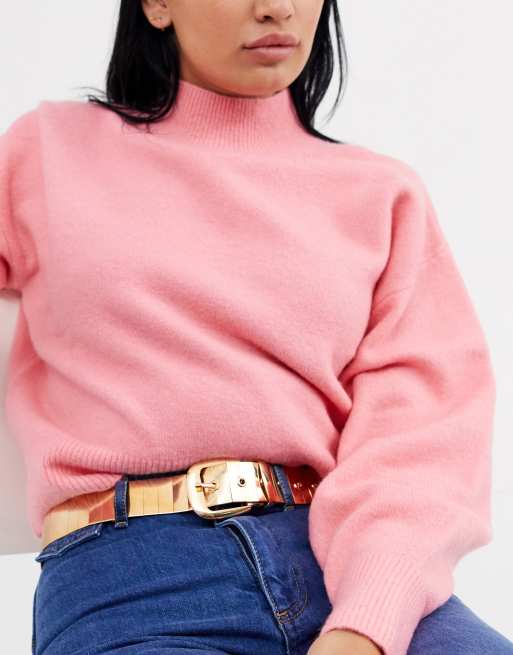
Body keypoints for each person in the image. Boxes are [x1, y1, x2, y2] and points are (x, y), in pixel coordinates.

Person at [1, 1, 511, 654]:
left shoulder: (381, 194)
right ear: (156, 5)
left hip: (345, 567)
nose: (277, 8)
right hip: (131, 576)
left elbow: (422, 439)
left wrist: (365, 625)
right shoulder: (47, 152)